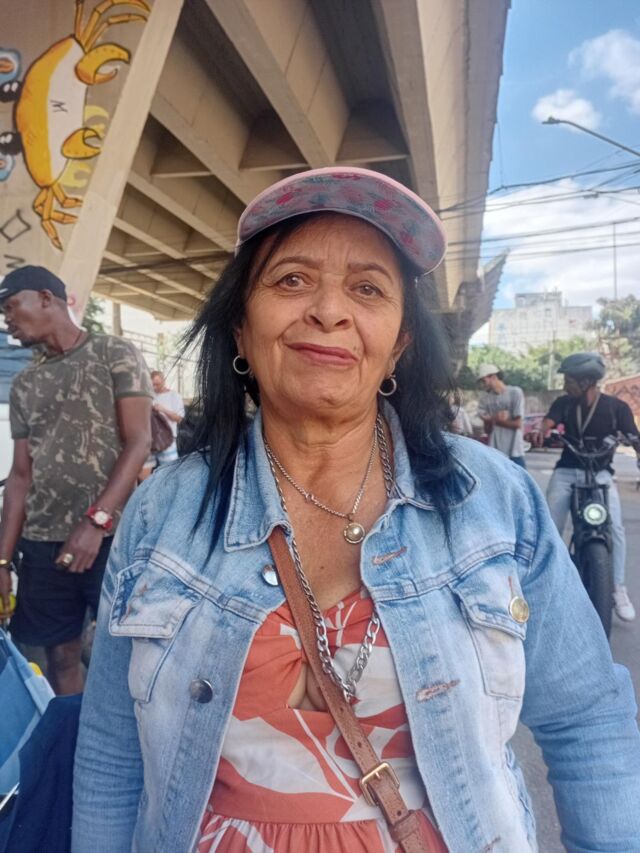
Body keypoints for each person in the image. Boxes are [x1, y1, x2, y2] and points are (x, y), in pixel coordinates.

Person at [73, 168, 640, 853]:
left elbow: (587, 720)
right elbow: (111, 749)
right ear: (241, 331)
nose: (329, 311)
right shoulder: (161, 513)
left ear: (398, 344)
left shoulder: (495, 500)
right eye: (292, 280)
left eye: (368, 288)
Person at [0, 266, 152, 695]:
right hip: (43, 545)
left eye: (11, 306)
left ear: (46, 298)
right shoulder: (25, 383)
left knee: (128, 657)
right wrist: (3, 563)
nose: (7, 320)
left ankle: (118, 735)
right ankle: (73, 734)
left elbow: (139, 442)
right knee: (60, 657)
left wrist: (96, 522)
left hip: (112, 540)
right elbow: (20, 476)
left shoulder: (113, 353)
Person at [541, 351, 640, 622]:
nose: (565, 385)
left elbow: (633, 436)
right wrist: (542, 431)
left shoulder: (616, 408)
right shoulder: (564, 404)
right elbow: (548, 422)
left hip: (601, 475)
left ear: (586, 381)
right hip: (566, 472)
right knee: (549, 524)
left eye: (569, 380)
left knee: (616, 528)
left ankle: (617, 588)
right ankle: (546, 582)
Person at [476, 363, 527, 468]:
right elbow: (487, 430)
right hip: (495, 449)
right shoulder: (485, 398)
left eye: (484, 381)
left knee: (520, 477)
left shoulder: (515, 393)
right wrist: (495, 418)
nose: (482, 384)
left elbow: (517, 424)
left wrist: (493, 419)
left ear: (493, 377)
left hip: (514, 449)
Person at [139, 370, 185, 479]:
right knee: (143, 472)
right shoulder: (149, 396)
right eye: (152, 385)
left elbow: (179, 419)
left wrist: (163, 409)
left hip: (167, 440)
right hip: (149, 440)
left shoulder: (174, 396)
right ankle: (149, 488)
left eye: (157, 384)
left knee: (170, 473)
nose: (154, 387)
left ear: (164, 381)